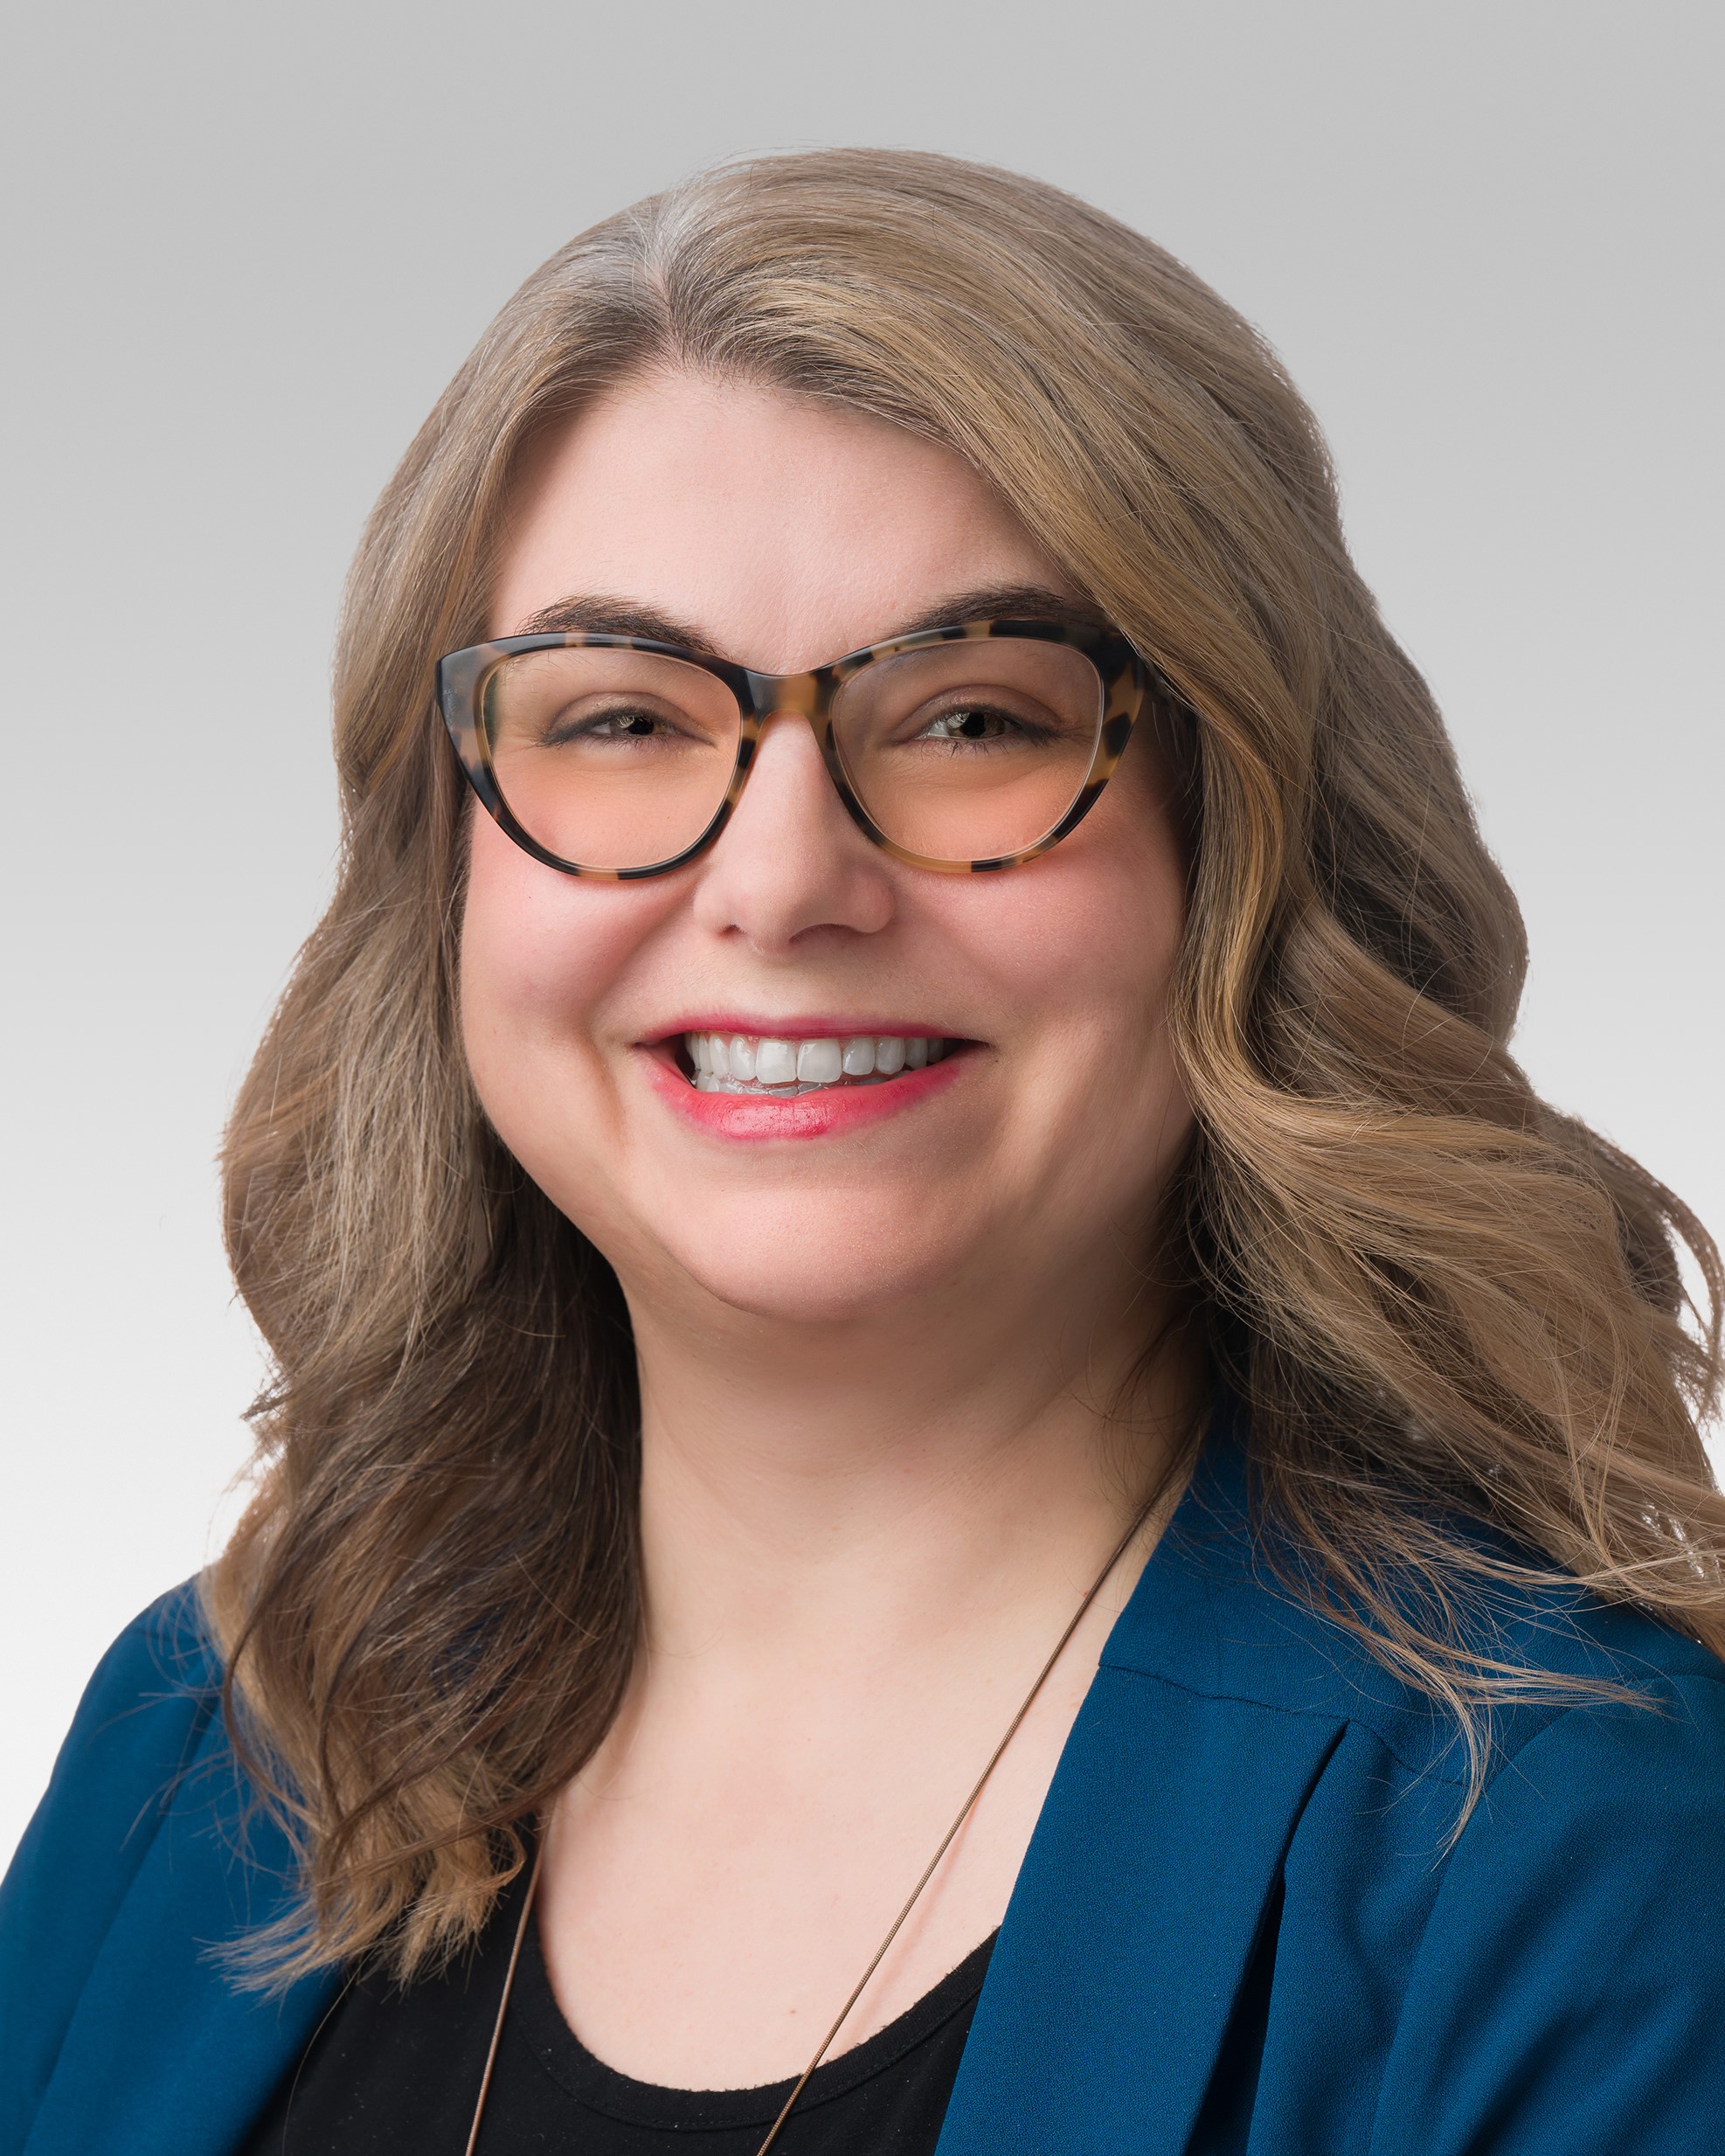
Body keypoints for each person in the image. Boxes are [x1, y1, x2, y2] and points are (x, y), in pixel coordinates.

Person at [4, 147, 1724, 2156]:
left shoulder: (1571, 1863)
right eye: (625, 720)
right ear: (447, 873)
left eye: (975, 717)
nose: (785, 878)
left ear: (1247, 850)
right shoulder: (209, 1740)